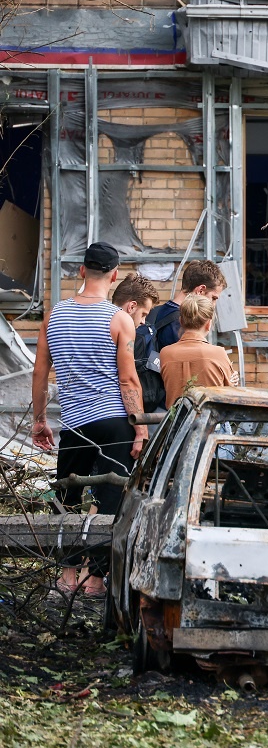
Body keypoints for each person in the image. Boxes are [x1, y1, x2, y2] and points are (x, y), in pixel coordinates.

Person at [32, 241, 148, 596]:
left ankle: (66, 577)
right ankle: (95, 581)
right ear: (114, 276)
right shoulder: (119, 319)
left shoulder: (54, 315)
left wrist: (39, 420)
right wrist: (140, 427)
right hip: (114, 421)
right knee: (110, 501)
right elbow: (128, 379)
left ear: (81, 271)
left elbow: (39, 372)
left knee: (66, 498)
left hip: (75, 423)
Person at [137, 260, 227, 412]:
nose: (213, 305)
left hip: (150, 401)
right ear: (200, 290)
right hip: (173, 408)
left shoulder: (155, 312)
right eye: (213, 298)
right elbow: (190, 375)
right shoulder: (184, 323)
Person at [159, 294, 236, 408]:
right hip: (211, 422)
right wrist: (232, 382)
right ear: (209, 324)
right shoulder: (218, 353)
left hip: (175, 422)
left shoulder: (165, 353)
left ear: (181, 321)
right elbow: (230, 394)